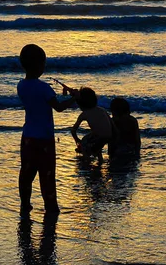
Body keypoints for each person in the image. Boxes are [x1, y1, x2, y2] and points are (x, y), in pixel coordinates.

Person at [17, 44, 78, 217]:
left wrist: (65, 96)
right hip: (44, 138)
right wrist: (74, 98)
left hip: (28, 136)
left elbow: (41, 102)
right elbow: (58, 107)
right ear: (38, 65)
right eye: (43, 63)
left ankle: (25, 204)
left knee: (27, 172)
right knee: (47, 174)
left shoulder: (21, 86)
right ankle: (51, 208)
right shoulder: (44, 88)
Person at [71, 87, 112, 164]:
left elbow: (73, 130)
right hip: (109, 135)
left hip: (98, 136)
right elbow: (110, 122)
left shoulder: (84, 114)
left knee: (84, 141)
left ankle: (87, 159)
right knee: (94, 138)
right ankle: (100, 159)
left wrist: (77, 140)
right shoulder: (102, 110)